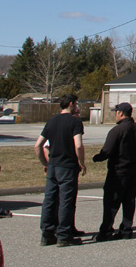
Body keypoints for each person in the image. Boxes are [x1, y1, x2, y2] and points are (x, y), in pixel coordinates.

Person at [93, 102, 136, 241]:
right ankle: (126, 229)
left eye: (116, 112)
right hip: (134, 169)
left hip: (118, 171)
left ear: (121, 113)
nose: (115, 114)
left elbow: (107, 150)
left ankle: (106, 231)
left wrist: (97, 158)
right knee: (129, 200)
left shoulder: (117, 130)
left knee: (112, 201)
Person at [35, 94, 87, 247]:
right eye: (76, 104)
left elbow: (38, 145)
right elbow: (78, 144)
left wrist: (45, 163)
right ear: (71, 104)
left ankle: (47, 233)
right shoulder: (75, 122)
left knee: (50, 199)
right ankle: (64, 235)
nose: (77, 107)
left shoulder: (51, 121)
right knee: (66, 201)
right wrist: (82, 162)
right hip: (67, 166)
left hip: (53, 166)